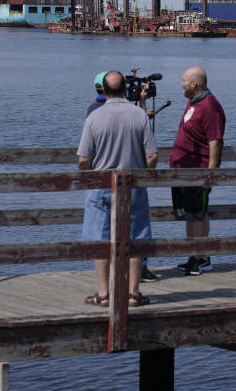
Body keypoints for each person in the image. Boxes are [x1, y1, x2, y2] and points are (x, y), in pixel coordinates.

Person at [77, 71, 158, 306]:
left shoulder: (93, 117)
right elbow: (152, 155)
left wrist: (89, 177)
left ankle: (103, 293)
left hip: (101, 184)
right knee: (136, 236)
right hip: (133, 184)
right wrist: (143, 173)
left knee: (99, 238)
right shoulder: (140, 116)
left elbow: (83, 160)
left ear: (103, 91)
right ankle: (133, 293)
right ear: (125, 90)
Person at [170, 66, 225, 276]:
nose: (181, 84)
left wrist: (210, 174)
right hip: (182, 170)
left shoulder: (210, 106)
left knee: (196, 215)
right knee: (192, 215)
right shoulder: (194, 102)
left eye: (184, 80)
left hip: (198, 171)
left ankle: (198, 258)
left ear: (194, 83)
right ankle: (198, 256)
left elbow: (215, 142)